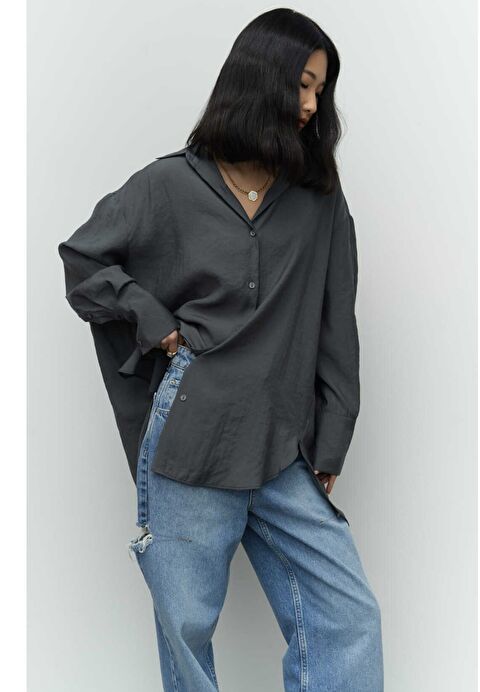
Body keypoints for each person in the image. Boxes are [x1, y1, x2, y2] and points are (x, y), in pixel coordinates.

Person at [58, 8, 384, 691]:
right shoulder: (168, 185)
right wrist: (155, 321)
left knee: (345, 617)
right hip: (191, 436)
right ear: (259, 78)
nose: (311, 105)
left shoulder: (317, 199)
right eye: (301, 84)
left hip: (283, 445)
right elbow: (85, 259)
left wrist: (331, 439)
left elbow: (336, 321)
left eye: (320, 90)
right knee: (187, 630)